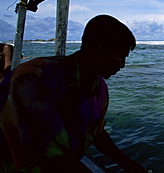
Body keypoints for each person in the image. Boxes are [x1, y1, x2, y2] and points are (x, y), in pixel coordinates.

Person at [0, 15, 147, 173]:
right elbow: (47, 155)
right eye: (121, 57)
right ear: (99, 51)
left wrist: (130, 165)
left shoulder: (99, 88)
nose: (122, 65)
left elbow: (96, 133)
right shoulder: (36, 76)